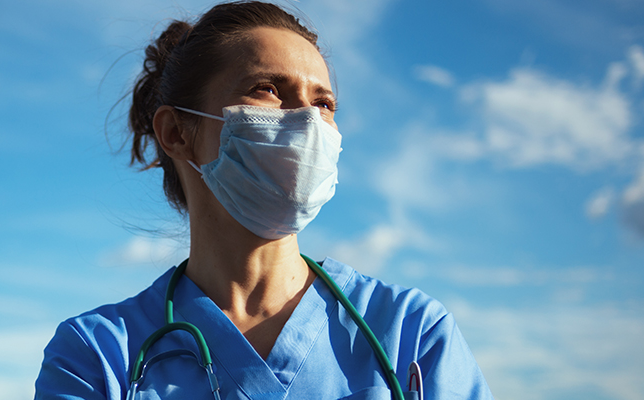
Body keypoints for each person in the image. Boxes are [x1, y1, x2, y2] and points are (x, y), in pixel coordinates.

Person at [35, 2, 493, 399]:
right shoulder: (99, 354)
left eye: (325, 103)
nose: (308, 120)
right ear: (176, 132)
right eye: (269, 89)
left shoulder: (410, 334)